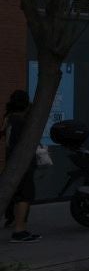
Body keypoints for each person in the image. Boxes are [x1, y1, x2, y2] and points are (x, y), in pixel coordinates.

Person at [4, 90, 40, 242]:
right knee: (25, 195)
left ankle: (15, 222)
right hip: (22, 163)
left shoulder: (9, 118)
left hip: (11, 161)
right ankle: (20, 230)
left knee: (18, 193)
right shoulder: (21, 121)